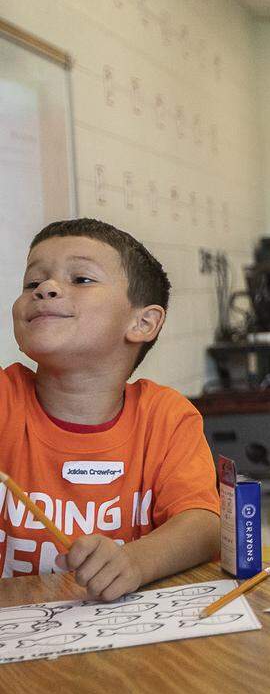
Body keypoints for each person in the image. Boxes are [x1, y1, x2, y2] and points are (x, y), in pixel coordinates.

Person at [1, 219, 220, 598]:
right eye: (33, 283)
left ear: (143, 322)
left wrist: (136, 561)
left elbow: (204, 525)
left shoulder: (166, 417)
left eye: (81, 279)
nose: (46, 289)